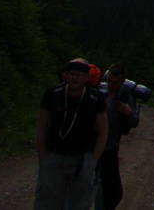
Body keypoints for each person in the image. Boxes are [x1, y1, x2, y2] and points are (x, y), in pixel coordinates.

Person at [35, 58, 108, 210]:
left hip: (82, 159)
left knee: (81, 203)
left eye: (80, 75)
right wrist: (43, 159)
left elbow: (103, 132)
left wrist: (92, 161)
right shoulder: (52, 95)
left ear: (87, 78)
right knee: (47, 202)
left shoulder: (95, 100)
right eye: (72, 74)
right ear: (65, 75)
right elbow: (41, 127)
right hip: (54, 157)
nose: (75, 78)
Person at [95, 62, 141, 210]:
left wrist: (128, 112)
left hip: (110, 147)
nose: (111, 84)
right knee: (94, 186)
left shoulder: (124, 96)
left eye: (114, 82)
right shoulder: (98, 91)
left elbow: (134, 122)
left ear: (122, 81)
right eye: (109, 81)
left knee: (112, 191)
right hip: (90, 146)